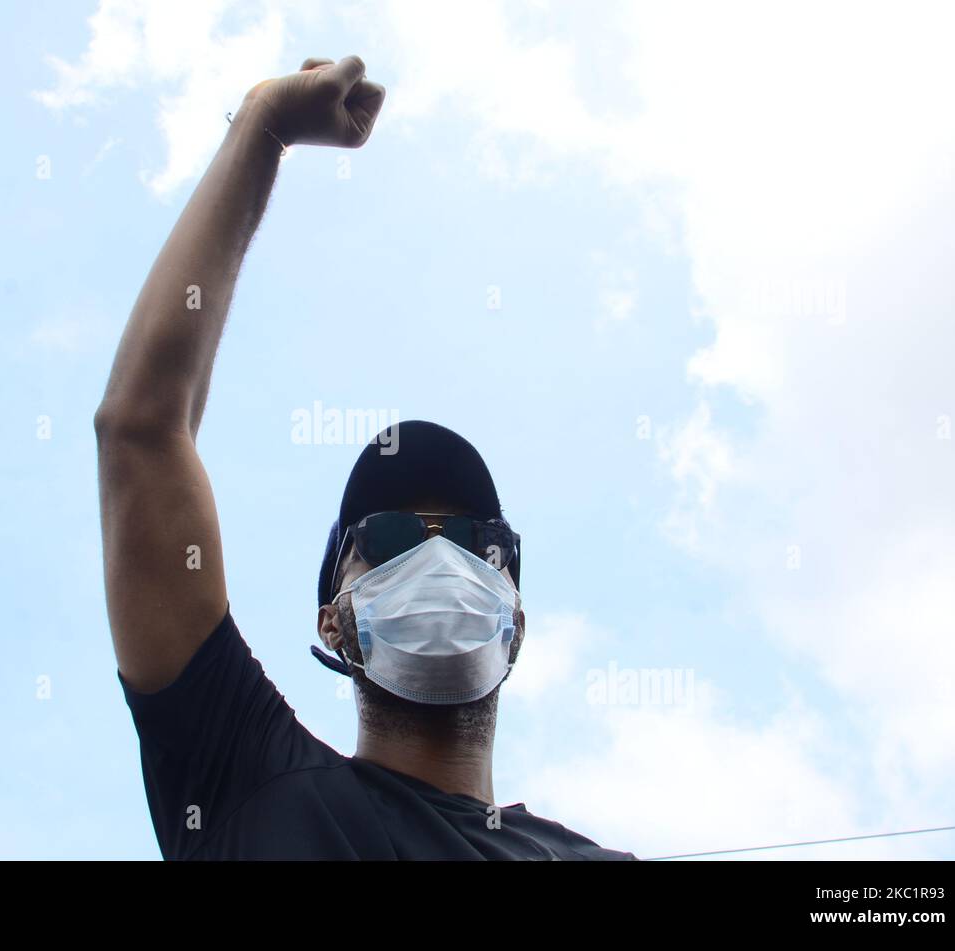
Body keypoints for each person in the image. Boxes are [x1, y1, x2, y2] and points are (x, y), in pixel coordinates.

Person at [95, 55, 636, 860]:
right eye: (389, 540)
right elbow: (140, 430)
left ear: (516, 620)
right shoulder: (247, 780)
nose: (440, 555)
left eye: (472, 540)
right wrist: (263, 128)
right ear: (334, 622)